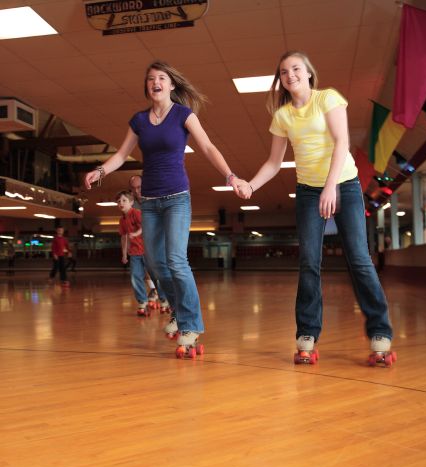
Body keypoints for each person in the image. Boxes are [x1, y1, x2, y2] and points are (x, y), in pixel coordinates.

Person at [237, 51, 394, 364]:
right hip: (309, 192)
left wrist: (331, 186)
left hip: (345, 185)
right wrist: (251, 185)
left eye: (296, 68)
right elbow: (273, 162)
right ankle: (307, 333)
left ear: (309, 73)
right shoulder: (282, 116)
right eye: (284, 72)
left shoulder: (328, 99)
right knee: (309, 260)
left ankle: (380, 332)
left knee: (359, 257)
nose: (290, 75)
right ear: (280, 80)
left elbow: (341, 142)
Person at [85, 60, 245, 356]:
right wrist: (101, 171)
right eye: (150, 79)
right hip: (150, 202)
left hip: (177, 198)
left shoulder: (183, 114)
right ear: (147, 87)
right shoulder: (139, 121)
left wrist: (230, 176)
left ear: (171, 85)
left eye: (161, 78)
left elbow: (208, 147)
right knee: (155, 263)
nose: (155, 82)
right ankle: (177, 312)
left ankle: (191, 324)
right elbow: (121, 154)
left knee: (176, 260)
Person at [129, 174, 171, 315]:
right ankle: (148, 297)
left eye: (139, 187)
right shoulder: (132, 205)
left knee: (158, 271)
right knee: (139, 274)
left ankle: (164, 297)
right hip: (139, 246)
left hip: (157, 241)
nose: (136, 191)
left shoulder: (154, 199)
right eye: (133, 188)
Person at [116, 190, 150, 316]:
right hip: (134, 252)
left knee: (155, 276)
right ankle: (142, 302)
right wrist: (124, 254)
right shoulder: (122, 220)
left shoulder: (136, 213)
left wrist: (136, 233)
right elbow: (123, 238)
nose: (121, 203)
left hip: (148, 250)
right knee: (135, 277)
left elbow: (145, 226)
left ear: (131, 202)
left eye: (124, 200)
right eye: (119, 201)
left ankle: (163, 297)